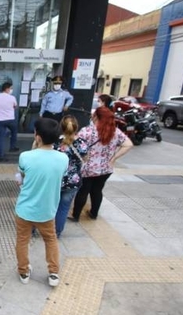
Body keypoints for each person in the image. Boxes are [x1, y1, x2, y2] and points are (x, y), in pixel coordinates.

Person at [14, 118, 68, 287]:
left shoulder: (25, 157)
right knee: (51, 240)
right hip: (47, 211)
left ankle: (23, 271)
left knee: (22, 240)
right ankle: (53, 273)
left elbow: (21, 177)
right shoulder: (63, 158)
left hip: (24, 209)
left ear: (37, 136)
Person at [70, 107, 133, 221]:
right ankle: (94, 213)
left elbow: (77, 146)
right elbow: (128, 144)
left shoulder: (87, 131)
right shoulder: (115, 131)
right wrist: (114, 158)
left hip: (88, 168)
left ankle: (76, 215)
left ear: (96, 117)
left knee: (83, 191)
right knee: (97, 191)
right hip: (106, 168)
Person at [52, 115, 88, 237]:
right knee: (64, 208)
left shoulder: (55, 141)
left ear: (61, 126)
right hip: (73, 181)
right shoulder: (81, 142)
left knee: (49, 206)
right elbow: (85, 158)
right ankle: (57, 232)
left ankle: (41, 229)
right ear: (76, 127)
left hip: (56, 179)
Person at [0, 82, 18, 162]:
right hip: (10, 119)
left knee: (1, 138)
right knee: (14, 132)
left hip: (0, 120)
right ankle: (12, 147)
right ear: (7, 89)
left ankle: (0, 155)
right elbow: (15, 107)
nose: (11, 90)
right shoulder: (12, 98)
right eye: (11, 88)